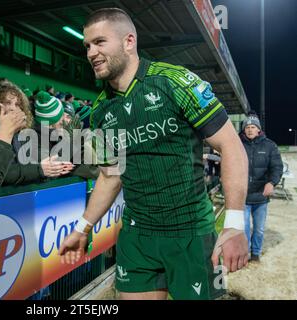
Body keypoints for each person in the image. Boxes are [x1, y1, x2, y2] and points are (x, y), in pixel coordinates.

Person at [59, 8, 249, 300]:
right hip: (137, 237)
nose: (91, 52)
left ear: (129, 42)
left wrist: (235, 225)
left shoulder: (176, 81)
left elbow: (231, 146)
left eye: (99, 42)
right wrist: (83, 227)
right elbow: (110, 177)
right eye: (87, 46)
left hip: (191, 233)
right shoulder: (98, 114)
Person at [0, 81, 74, 184]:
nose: (13, 108)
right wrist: (40, 169)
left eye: (17, 104)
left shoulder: (23, 132)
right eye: (7, 103)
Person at [240, 114, 283, 262]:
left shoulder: (270, 145)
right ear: (244, 130)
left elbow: (277, 167)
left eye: (253, 127)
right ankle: (245, 253)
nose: (250, 130)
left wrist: (272, 183)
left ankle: (256, 253)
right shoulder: (238, 144)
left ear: (259, 130)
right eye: (247, 127)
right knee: (244, 229)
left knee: (258, 229)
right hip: (243, 196)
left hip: (261, 197)